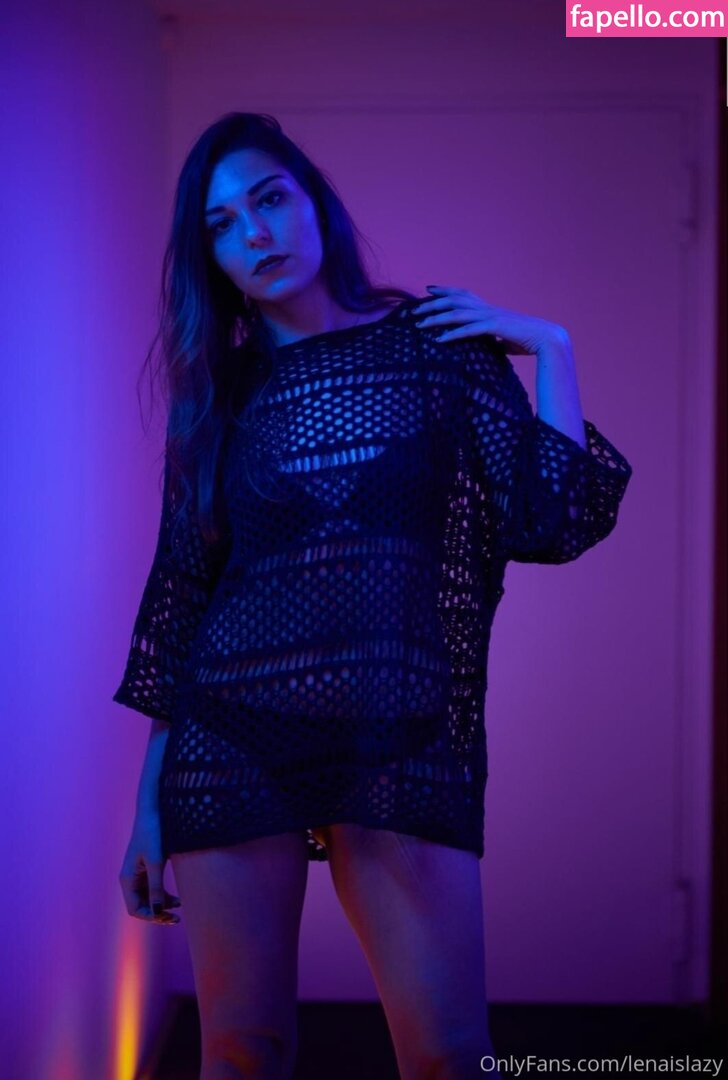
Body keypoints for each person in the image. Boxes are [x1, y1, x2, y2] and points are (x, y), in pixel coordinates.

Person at [114, 112, 633, 1080]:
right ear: (210, 258)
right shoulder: (221, 397)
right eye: (222, 224)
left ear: (313, 201)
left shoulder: (436, 350)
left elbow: (553, 518)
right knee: (242, 1051)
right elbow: (181, 598)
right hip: (231, 742)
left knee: (450, 1054)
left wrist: (552, 346)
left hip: (397, 734)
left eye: (269, 199)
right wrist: (147, 807)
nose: (255, 233)